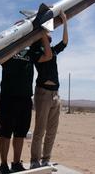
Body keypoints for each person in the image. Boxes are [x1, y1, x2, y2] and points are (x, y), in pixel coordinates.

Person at [0, 32, 52, 174]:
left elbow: (48, 56)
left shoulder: (31, 51)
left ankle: (16, 163)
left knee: (20, 133)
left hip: (25, 98)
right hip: (8, 97)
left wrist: (43, 34)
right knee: (5, 133)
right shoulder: (7, 49)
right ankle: (3, 165)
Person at [30, 11, 68, 168]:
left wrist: (65, 22)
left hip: (55, 95)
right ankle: (34, 162)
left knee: (51, 131)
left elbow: (65, 42)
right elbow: (48, 56)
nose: (50, 34)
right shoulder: (35, 52)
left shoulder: (52, 50)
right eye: (47, 34)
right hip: (43, 94)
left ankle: (46, 160)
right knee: (40, 131)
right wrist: (42, 32)